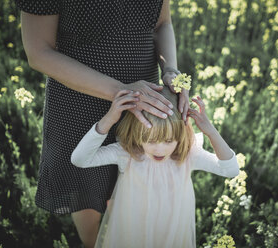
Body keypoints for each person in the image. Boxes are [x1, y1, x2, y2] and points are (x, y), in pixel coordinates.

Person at [16, 0, 189, 246]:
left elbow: (162, 24)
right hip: (80, 101)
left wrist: (170, 69)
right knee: (87, 190)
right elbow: (38, 53)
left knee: (137, 184)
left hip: (145, 100)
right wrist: (122, 92)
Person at [71, 87, 240, 248]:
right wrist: (109, 119)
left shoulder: (188, 155)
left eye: (168, 141)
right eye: (151, 141)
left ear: (180, 136)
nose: (159, 149)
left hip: (172, 233)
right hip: (133, 232)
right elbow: (80, 159)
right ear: (138, 135)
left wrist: (210, 131)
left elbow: (230, 170)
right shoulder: (128, 154)